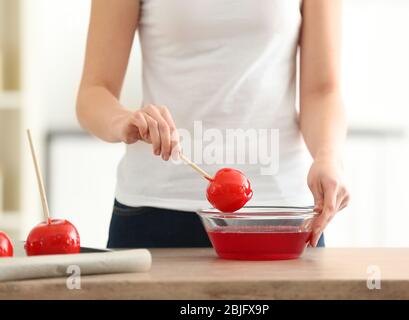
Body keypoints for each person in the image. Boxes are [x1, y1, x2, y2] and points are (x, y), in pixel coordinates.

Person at [76, 0, 350, 249]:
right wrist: (121, 120)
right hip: (155, 210)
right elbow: (94, 91)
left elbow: (322, 89)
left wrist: (327, 156)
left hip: (280, 212)